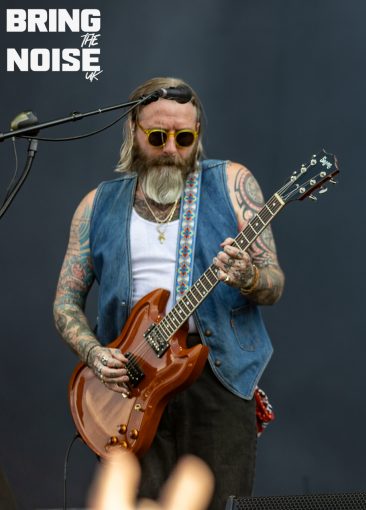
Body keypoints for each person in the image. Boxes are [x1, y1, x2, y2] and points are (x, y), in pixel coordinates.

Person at [53, 76, 285, 509]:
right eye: (158, 136)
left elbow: (273, 283)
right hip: (133, 383)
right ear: (133, 131)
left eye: (184, 138)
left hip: (216, 374)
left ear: (197, 133)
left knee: (221, 503)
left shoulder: (232, 184)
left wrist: (245, 276)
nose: (171, 150)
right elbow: (66, 301)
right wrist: (95, 354)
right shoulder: (96, 206)